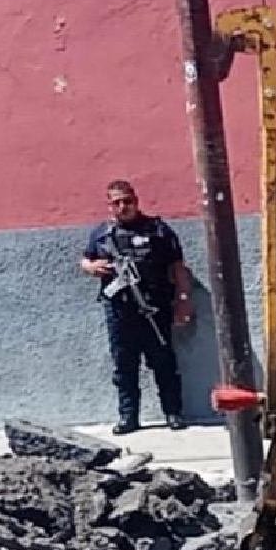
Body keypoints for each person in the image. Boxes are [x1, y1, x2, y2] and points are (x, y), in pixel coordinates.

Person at [80, 180, 193, 435]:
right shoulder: (102, 234)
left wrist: (183, 300)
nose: (123, 207)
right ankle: (128, 417)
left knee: (164, 362)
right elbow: (85, 259)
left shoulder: (158, 230)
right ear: (110, 206)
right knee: (124, 365)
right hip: (120, 311)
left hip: (154, 308)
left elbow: (177, 267)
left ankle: (173, 413)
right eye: (117, 203)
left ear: (136, 201)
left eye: (127, 201)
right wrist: (91, 267)